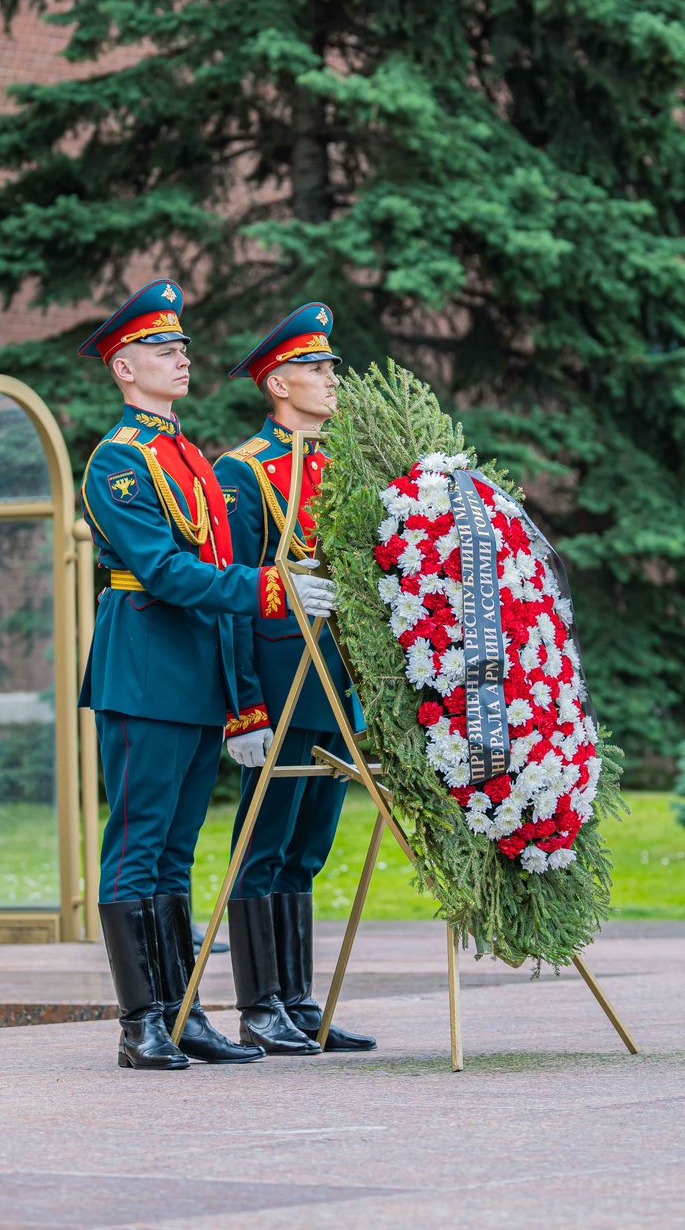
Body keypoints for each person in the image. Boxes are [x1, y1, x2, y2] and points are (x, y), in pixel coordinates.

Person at [78, 279, 333, 1071]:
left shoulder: (186, 457)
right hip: (145, 668)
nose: (180, 358)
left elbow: (215, 579)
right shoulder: (119, 462)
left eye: (182, 347)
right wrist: (272, 589)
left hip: (192, 674)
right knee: (138, 845)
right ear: (125, 368)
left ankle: (181, 1012)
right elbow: (163, 571)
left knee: (175, 853)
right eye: (162, 349)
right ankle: (140, 1022)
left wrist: (239, 695)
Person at [215, 301, 376, 1053]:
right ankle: (259, 1006)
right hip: (279, 681)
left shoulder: (344, 465)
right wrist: (244, 706)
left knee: (309, 846)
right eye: (316, 367)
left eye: (330, 366)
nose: (331, 378)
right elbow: (233, 596)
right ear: (279, 383)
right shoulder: (244, 470)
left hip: (335, 681)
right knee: (265, 843)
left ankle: (298, 1001)